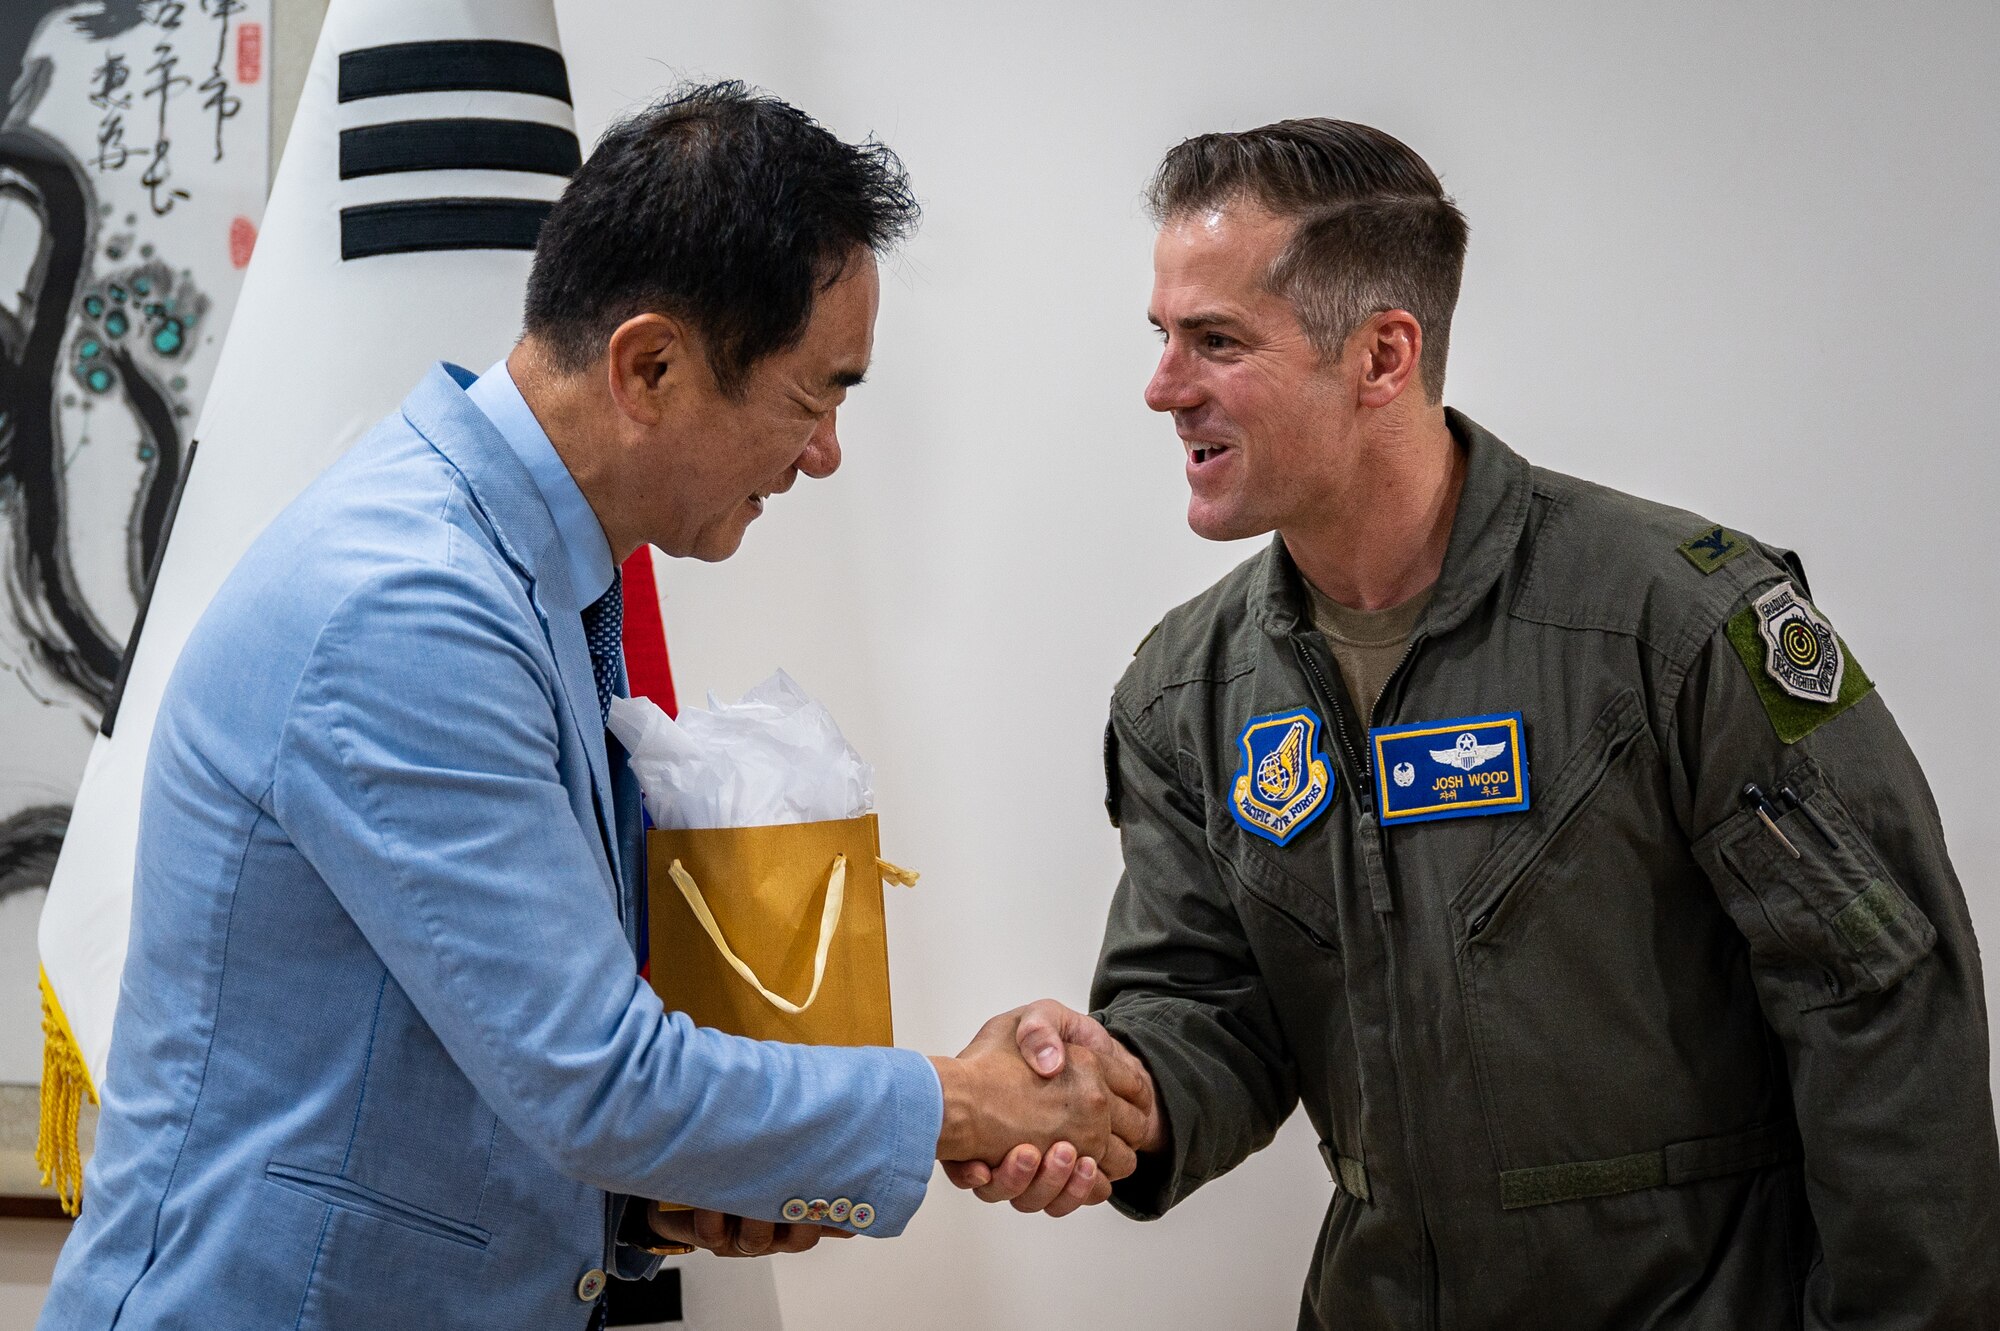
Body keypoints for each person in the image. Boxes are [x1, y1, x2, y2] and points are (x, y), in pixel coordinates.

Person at [37, 83, 1152, 1331]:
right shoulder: (411, 608)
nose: (826, 450)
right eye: (813, 394)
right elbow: (599, 1076)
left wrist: (658, 1203)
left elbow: (460, 1057)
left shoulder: (530, 576)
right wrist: (964, 1100)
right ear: (651, 364)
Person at [951, 119, 2000, 1327]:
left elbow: (1878, 1004)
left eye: (1216, 341)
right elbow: (1207, 1011)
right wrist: (1103, 1089)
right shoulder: (1184, 688)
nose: (1160, 385)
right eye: (1162, 337)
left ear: (1382, 355)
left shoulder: (1680, 622)